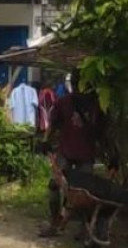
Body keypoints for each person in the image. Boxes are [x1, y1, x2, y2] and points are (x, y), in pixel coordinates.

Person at [39, 77, 109, 237]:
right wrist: (45, 140)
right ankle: (54, 223)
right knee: (54, 185)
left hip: (85, 155)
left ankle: (84, 227)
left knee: (85, 193)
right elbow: (53, 124)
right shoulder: (64, 102)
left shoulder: (97, 105)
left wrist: (109, 153)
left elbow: (102, 132)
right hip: (67, 152)